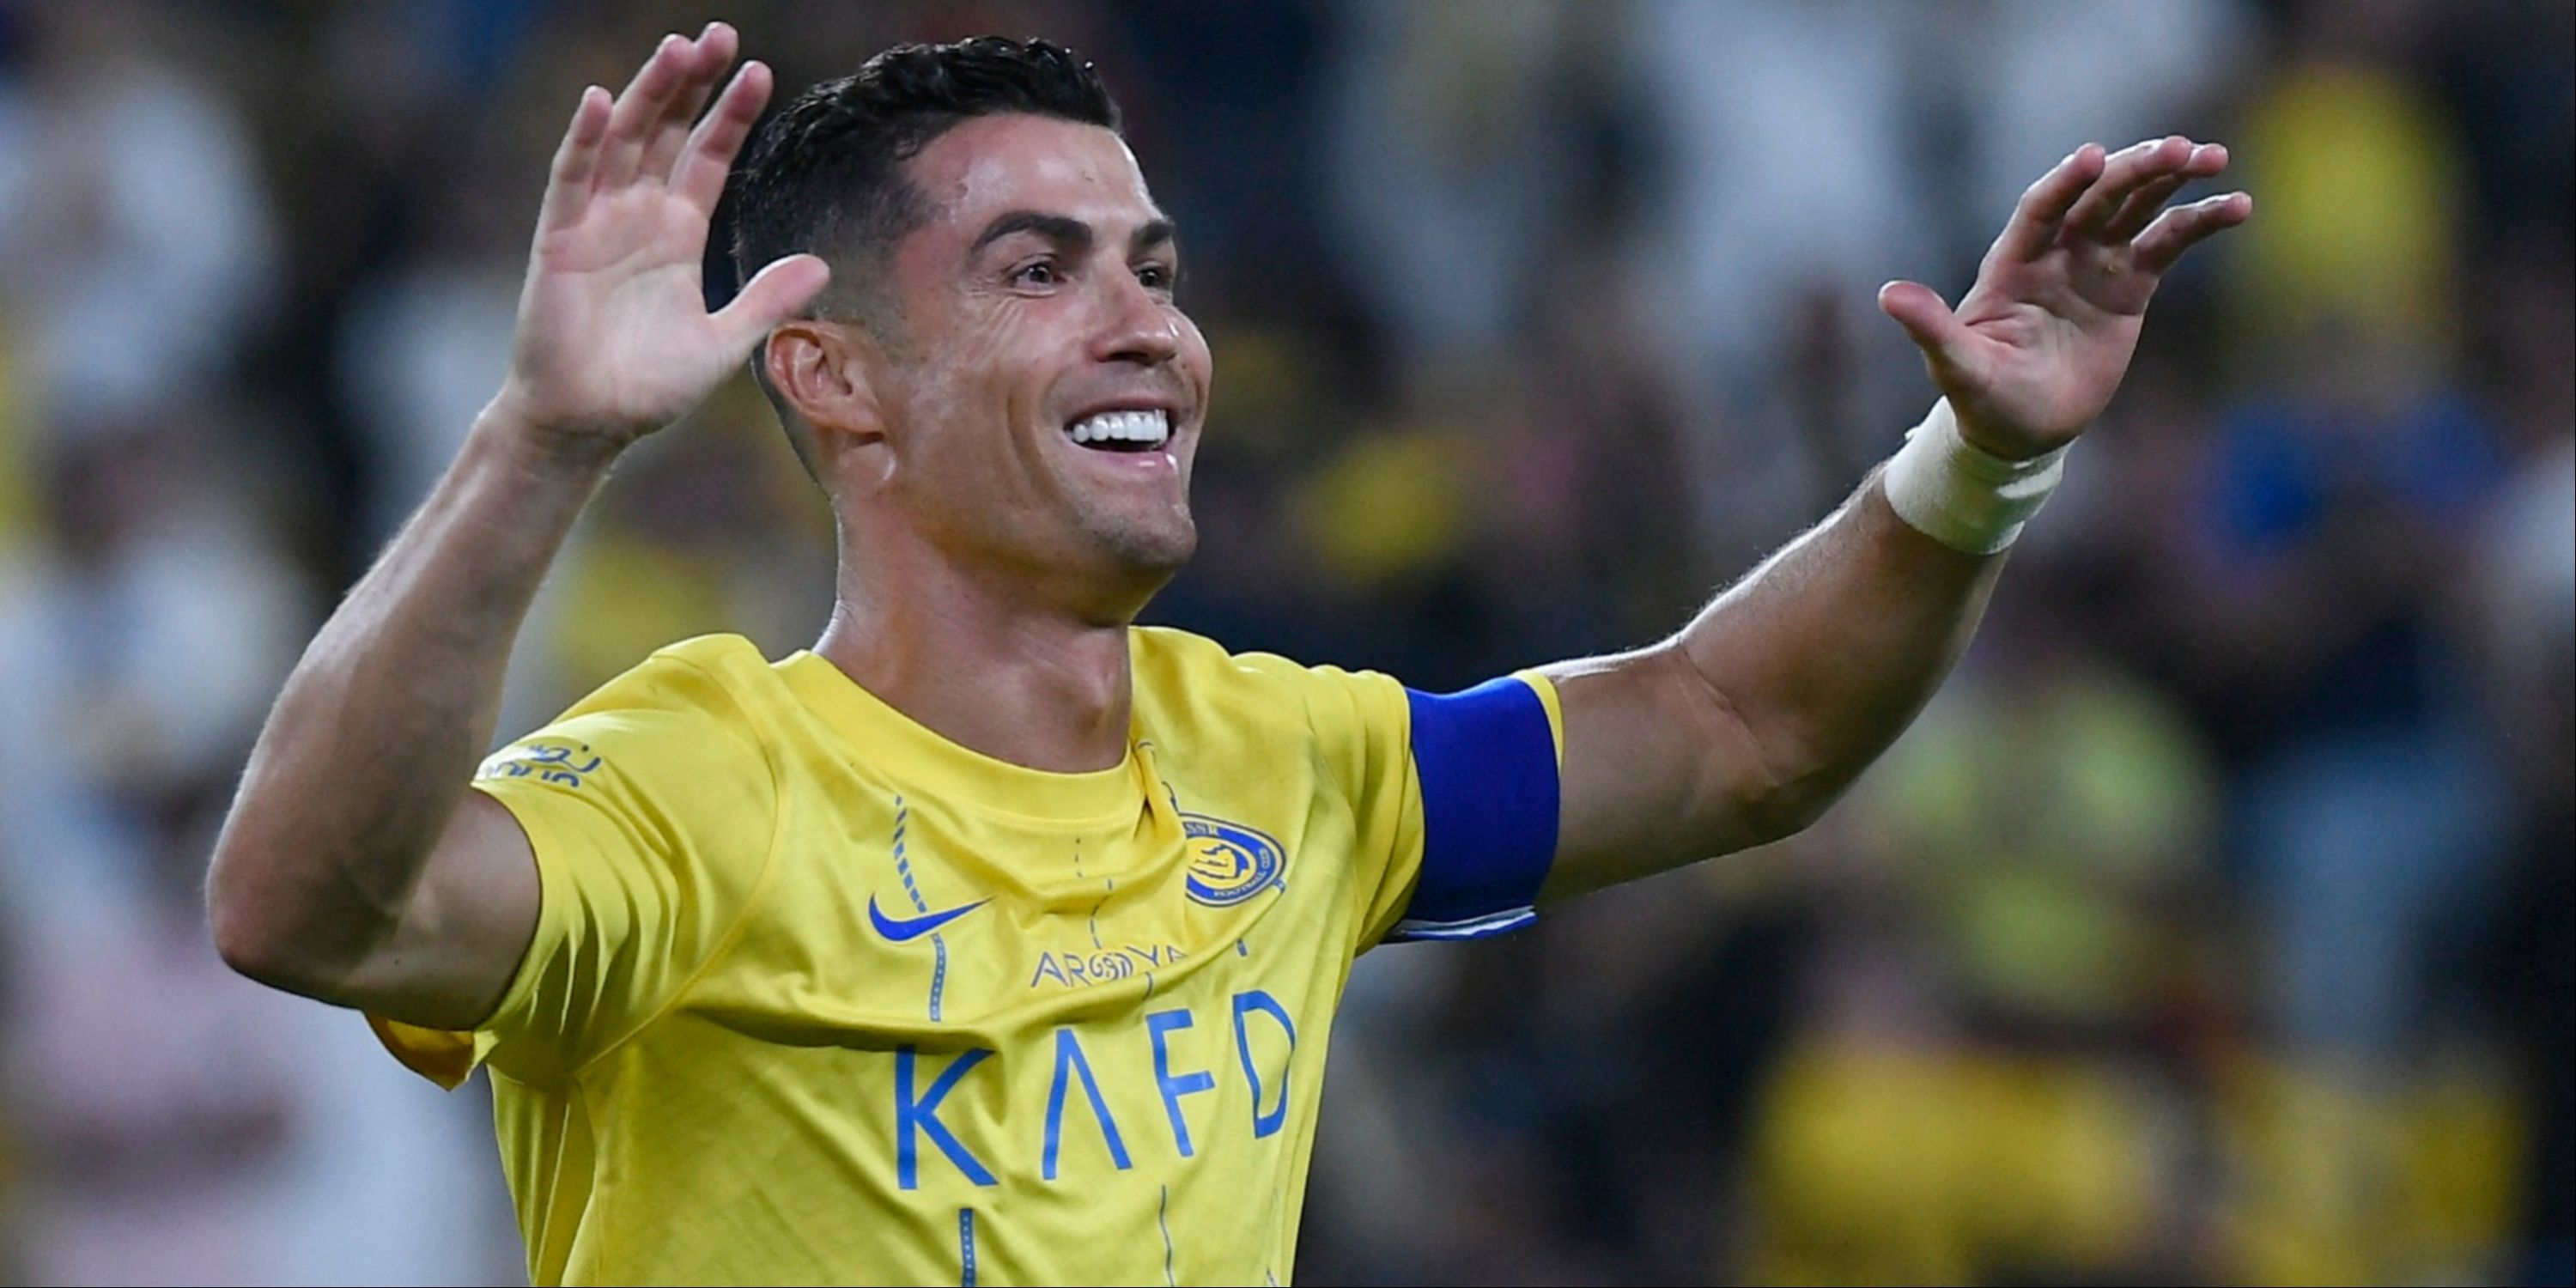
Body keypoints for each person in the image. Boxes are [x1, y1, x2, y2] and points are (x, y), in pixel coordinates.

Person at [205, 24, 2248, 1285]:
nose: (1151, 328)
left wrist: (1976, 463)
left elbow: (1735, 731)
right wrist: (543, 436)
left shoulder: (1286, 761)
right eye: (1039, 268)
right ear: (835, 380)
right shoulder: (692, 777)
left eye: (1157, 270)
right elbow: (306, 904)